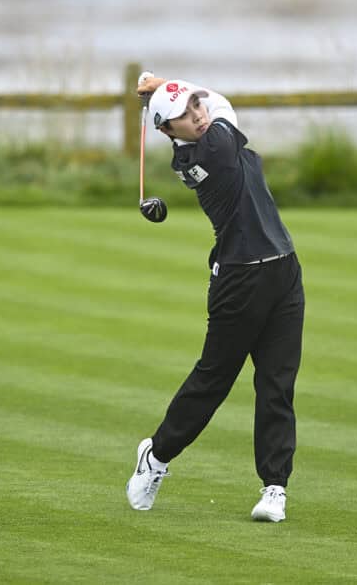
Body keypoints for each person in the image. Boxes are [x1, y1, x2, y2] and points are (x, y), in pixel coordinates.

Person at [126, 75, 305, 522]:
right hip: (239, 283)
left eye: (196, 106)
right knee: (213, 381)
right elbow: (223, 101)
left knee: (276, 385)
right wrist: (167, 81)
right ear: (168, 132)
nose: (198, 115)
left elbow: (212, 102)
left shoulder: (203, 135)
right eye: (185, 115)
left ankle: (274, 488)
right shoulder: (214, 148)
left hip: (284, 272)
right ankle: (157, 456)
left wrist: (164, 89)